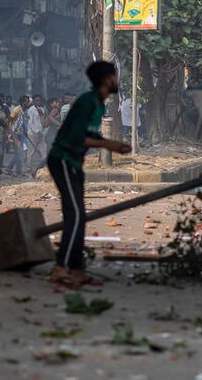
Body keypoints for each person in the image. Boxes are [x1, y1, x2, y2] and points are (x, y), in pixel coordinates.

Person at [48, 61, 131, 287]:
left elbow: (90, 134)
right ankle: (60, 268)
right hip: (63, 159)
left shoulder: (98, 104)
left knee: (78, 216)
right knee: (74, 214)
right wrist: (110, 146)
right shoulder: (87, 101)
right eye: (115, 76)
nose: (117, 81)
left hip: (74, 162)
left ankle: (75, 270)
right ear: (107, 80)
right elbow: (77, 137)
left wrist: (112, 144)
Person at [26, 94, 48, 173]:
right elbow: (30, 123)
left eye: (39, 100)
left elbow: (43, 122)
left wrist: (42, 132)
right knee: (31, 152)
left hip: (41, 134)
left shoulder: (42, 109)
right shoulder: (31, 110)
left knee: (44, 151)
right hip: (32, 134)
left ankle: (42, 167)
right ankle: (28, 168)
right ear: (34, 101)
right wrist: (37, 131)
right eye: (36, 100)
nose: (38, 102)